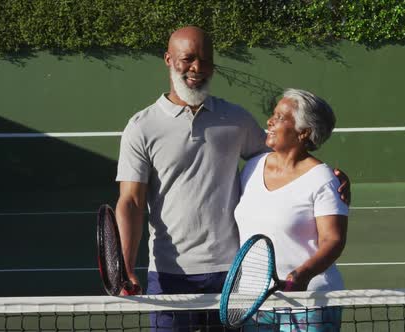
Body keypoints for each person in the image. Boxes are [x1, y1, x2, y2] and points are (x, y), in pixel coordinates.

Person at [114, 26, 350, 330]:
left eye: (206, 60)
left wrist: (331, 177)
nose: (197, 68)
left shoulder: (236, 119)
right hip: (168, 274)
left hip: (233, 276)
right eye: (188, 59)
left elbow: (286, 161)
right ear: (169, 59)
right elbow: (131, 201)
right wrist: (126, 264)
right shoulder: (141, 127)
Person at [234, 89, 349, 331]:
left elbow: (333, 239)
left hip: (309, 303)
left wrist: (303, 274)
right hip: (255, 303)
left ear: (304, 131)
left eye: (280, 117)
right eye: (273, 115)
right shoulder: (252, 167)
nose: (270, 122)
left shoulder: (323, 179)